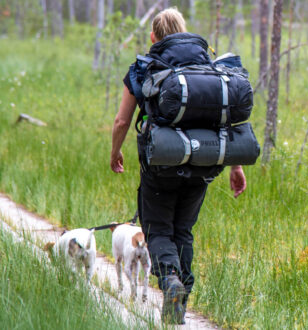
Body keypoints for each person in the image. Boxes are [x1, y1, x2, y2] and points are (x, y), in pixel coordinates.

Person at [109, 7, 247, 325]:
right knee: (183, 230)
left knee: (158, 229)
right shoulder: (208, 67)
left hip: (160, 165)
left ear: (154, 37)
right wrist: (235, 167)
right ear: (184, 31)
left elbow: (121, 121)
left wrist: (115, 152)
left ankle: (170, 278)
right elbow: (228, 121)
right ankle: (180, 295)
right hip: (204, 163)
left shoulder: (143, 68)